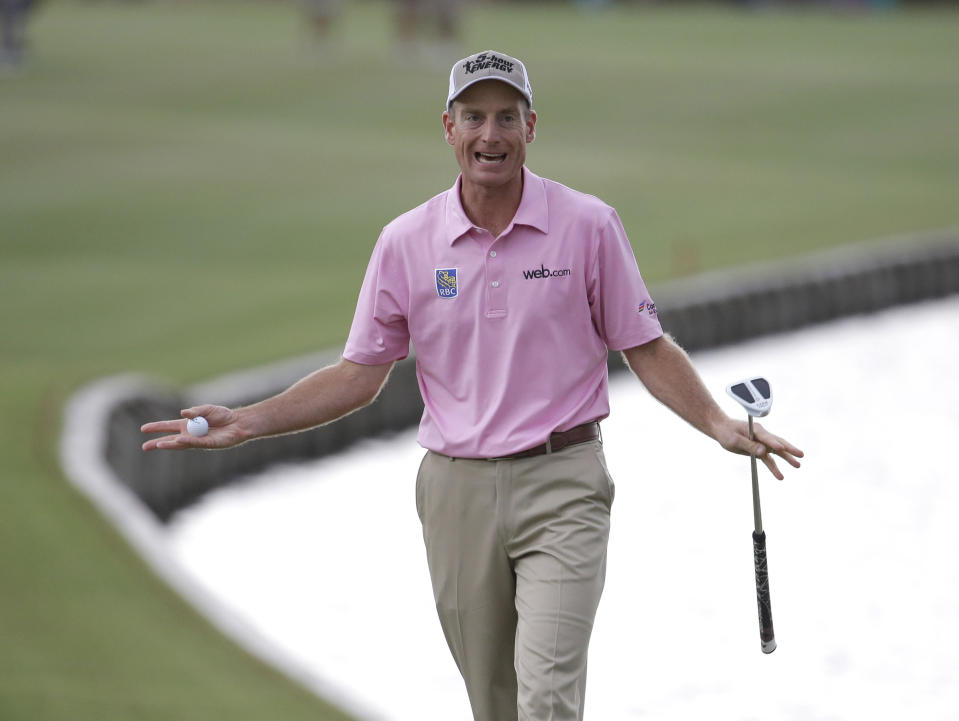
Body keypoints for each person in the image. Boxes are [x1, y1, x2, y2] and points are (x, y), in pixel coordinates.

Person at [141, 50, 803, 721]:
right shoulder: (406, 241)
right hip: (454, 491)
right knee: (496, 706)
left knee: (546, 697)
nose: (491, 134)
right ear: (449, 128)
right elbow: (359, 375)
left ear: (531, 127)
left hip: (563, 480)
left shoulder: (587, 225)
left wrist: (719, 424)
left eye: (506, 118)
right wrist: (249, 421)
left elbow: (645, 346)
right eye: (475, 117)